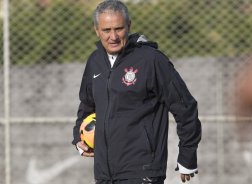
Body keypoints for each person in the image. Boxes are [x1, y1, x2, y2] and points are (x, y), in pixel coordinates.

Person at [72, 1, 201, 183]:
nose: (113, 36)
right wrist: (79, 139)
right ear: (96, 30)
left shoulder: (151, 60)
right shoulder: (95, 61)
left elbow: (185, 107)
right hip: (104, 174)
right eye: (106, 30)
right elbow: (87, 104)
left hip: (142, 171)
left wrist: (187, 156)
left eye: (119, 29)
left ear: (129, 26)